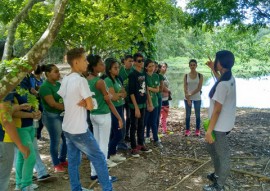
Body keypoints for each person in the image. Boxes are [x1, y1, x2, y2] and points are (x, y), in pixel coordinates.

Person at [57, 48, 112, 191]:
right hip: (79, 129)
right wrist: (88, 103)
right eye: (84, 60)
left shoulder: (66, 79)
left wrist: (85, 102)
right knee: (99, 158)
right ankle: (108, 188)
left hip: (68, 127)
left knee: (74, 161)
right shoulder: (81, 81)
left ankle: (76, 188)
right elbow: (91, 106)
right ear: (76, 62)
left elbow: (65, 98)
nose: (87, 63)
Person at [203, 50, 236, 191]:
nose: (215, 62)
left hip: (219, 126)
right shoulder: (228, 77)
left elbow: (217, 109)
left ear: (221, 63)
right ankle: (217, 174)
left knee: (222, 154)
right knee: (212, 148)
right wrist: (213, 69)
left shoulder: (224, 84)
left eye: (216, 60)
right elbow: (220, 82)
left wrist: (209, 131)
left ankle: (220, 185)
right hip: (224, 122)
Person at [86, 54, 122, 181]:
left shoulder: (87, 79)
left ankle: (94, 172)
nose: (103, 66)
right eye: (101, 64)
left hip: (93, 115)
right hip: (103, 115)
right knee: (103, 146)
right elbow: (109, 102)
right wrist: (119, 117)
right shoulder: (99, 81)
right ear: (94, 67)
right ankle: (103, 175)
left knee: (96, 144)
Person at [39, 64, 67, 173]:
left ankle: (62, 159)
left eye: (58, 71)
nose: (58, 73)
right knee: (55, 140)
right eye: (55, 71)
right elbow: (53, 104)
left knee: (66, 138)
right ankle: (56, 163)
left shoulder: (58, 84)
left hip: (61, 115)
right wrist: (69, 107)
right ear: (47, 74)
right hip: (51, 116)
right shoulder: (45, 87)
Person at [0, 96, 30, 191]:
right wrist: (20, 145)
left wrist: (17, 107)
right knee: (2, 177)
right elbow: (6, 118)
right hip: (3, 139)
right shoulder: (5, 86)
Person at [128, 53, 152, 157]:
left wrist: (149, 102)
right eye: (139, 61)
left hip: (143, 103)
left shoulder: (143, 74)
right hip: (135, 105)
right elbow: (131, 92)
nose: (141, 62)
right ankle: (133, 147)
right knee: (134, 125)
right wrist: (136, 107)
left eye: (142, 60)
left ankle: (141, 144)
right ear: (134, 62)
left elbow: (145, 89)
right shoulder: (132, 74)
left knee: (141, 125)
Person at [104, 57, 127, 162]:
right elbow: (113, 97)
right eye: (115, 68)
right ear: (109, 69)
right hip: (114, 109)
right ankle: (108, 155)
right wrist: (119, 95)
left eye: (118, 67)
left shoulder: (117, 79)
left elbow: (124, 94)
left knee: (119, 132)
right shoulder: (108, 80)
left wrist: (120, 95)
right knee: (117, 134)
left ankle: (113, 154)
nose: (117, 70)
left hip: (120, 107)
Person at [144, 59, 163, 148]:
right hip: (146, 103)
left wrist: (149, 88)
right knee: (144, 122)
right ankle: (144, 139)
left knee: (154, 122)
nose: (152, 68)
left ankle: (156, 139)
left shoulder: (156, 76)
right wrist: (149, 103)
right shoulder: (144, 76)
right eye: (150, 66)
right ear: (146, 67)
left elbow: (157, 89)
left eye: (153, 66)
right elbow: (144, 90)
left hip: (155, 102)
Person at [184, 59, 203, 136]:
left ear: (196, 66)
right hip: (187, 98)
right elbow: (185, 88)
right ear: (189, 66)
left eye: (194, 65)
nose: (192, 66)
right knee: (188, 115)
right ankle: (187, 130)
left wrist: (190, 94)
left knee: (197, 115)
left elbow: (199, 88)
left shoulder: (200, 76)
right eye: (191, 65)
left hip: (197, 98)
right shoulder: (186, 76)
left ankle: (197, 130)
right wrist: (188, 98)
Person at [118, 55, 133, 146]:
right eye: (129, 61)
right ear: (124, 61)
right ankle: (121, 136)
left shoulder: (133, 70)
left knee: (129, 117)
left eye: (132, 61)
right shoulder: (120, 71)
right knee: (121, 117)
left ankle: (127, 133)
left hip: (131, 98)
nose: (131, 63)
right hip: (121, 98)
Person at [29, 65, 45, 141]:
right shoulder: (32, 79)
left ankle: (38, 135)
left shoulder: (41, 80)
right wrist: (38, 92)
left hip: (41, 102)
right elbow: (32, 91)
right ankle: (36, 135)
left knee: (41, 119)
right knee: (37, 119)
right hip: (35, 102)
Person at [159, 63, 171, 135]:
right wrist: (168, 90)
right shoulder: (159, 76)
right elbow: (162, 87)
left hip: (166, 98)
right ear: (160, 68)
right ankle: (158, 130)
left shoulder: (165, 77)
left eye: (166, 67)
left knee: (165, 115)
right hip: (161, 98)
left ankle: (164, 129)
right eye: (163, 67)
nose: (165, 68)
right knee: (159, 115)